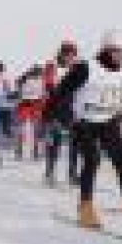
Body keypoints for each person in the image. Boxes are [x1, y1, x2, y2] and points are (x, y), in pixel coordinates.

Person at [46, 30, 122, 229]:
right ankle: (85, 206)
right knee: (92, 159)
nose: (120, 56)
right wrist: (55, 117)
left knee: (121, 159)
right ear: (105, 50)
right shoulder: (85, 68)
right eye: (116, 51)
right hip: (84, 122)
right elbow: (60, 93)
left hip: (108, 120)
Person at [43, 40, 81, 186]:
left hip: (71, 108)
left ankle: (72, 174)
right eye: (69, 54)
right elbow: (48, 84)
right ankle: (50, 172)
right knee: (55, 141)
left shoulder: (76, 68)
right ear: (62, 53)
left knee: (75, 141)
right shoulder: (52, 65)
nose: (71, 57)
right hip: (54, 107)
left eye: (73, 55)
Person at [14, 65, 48, 161]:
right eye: (39, 73)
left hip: (32, 105)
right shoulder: (25, 80)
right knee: (24, 129)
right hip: (27, 104)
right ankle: (21, 152)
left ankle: (29, 152)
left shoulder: (41, 81)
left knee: (33, 130)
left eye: (41, 74)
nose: (40, 75)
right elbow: (20, 92)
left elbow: (43, 94)